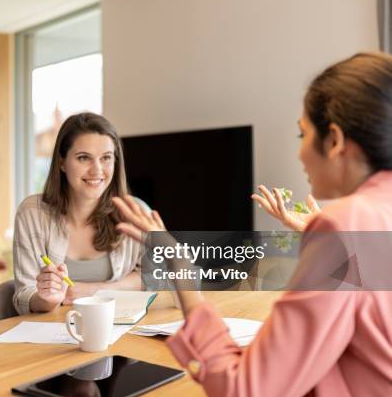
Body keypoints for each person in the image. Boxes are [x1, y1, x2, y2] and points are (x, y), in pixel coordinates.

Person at [113, 52, 392, 396]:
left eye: (301, 134)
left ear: (333, 140)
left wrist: (180, 269)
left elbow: (246, 389)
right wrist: (317, 232)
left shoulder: (345, 225)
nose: (299, 153)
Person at [13, 112, 146, 314]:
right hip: (51, 333)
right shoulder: (32, 213)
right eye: (84, 158)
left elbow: (156, 275)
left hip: (121, 329)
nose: (97, 170)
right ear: (62, 162)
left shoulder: (135, 212)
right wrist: (47, 300)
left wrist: (95, 291)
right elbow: (24, 294)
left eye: (106, 158)